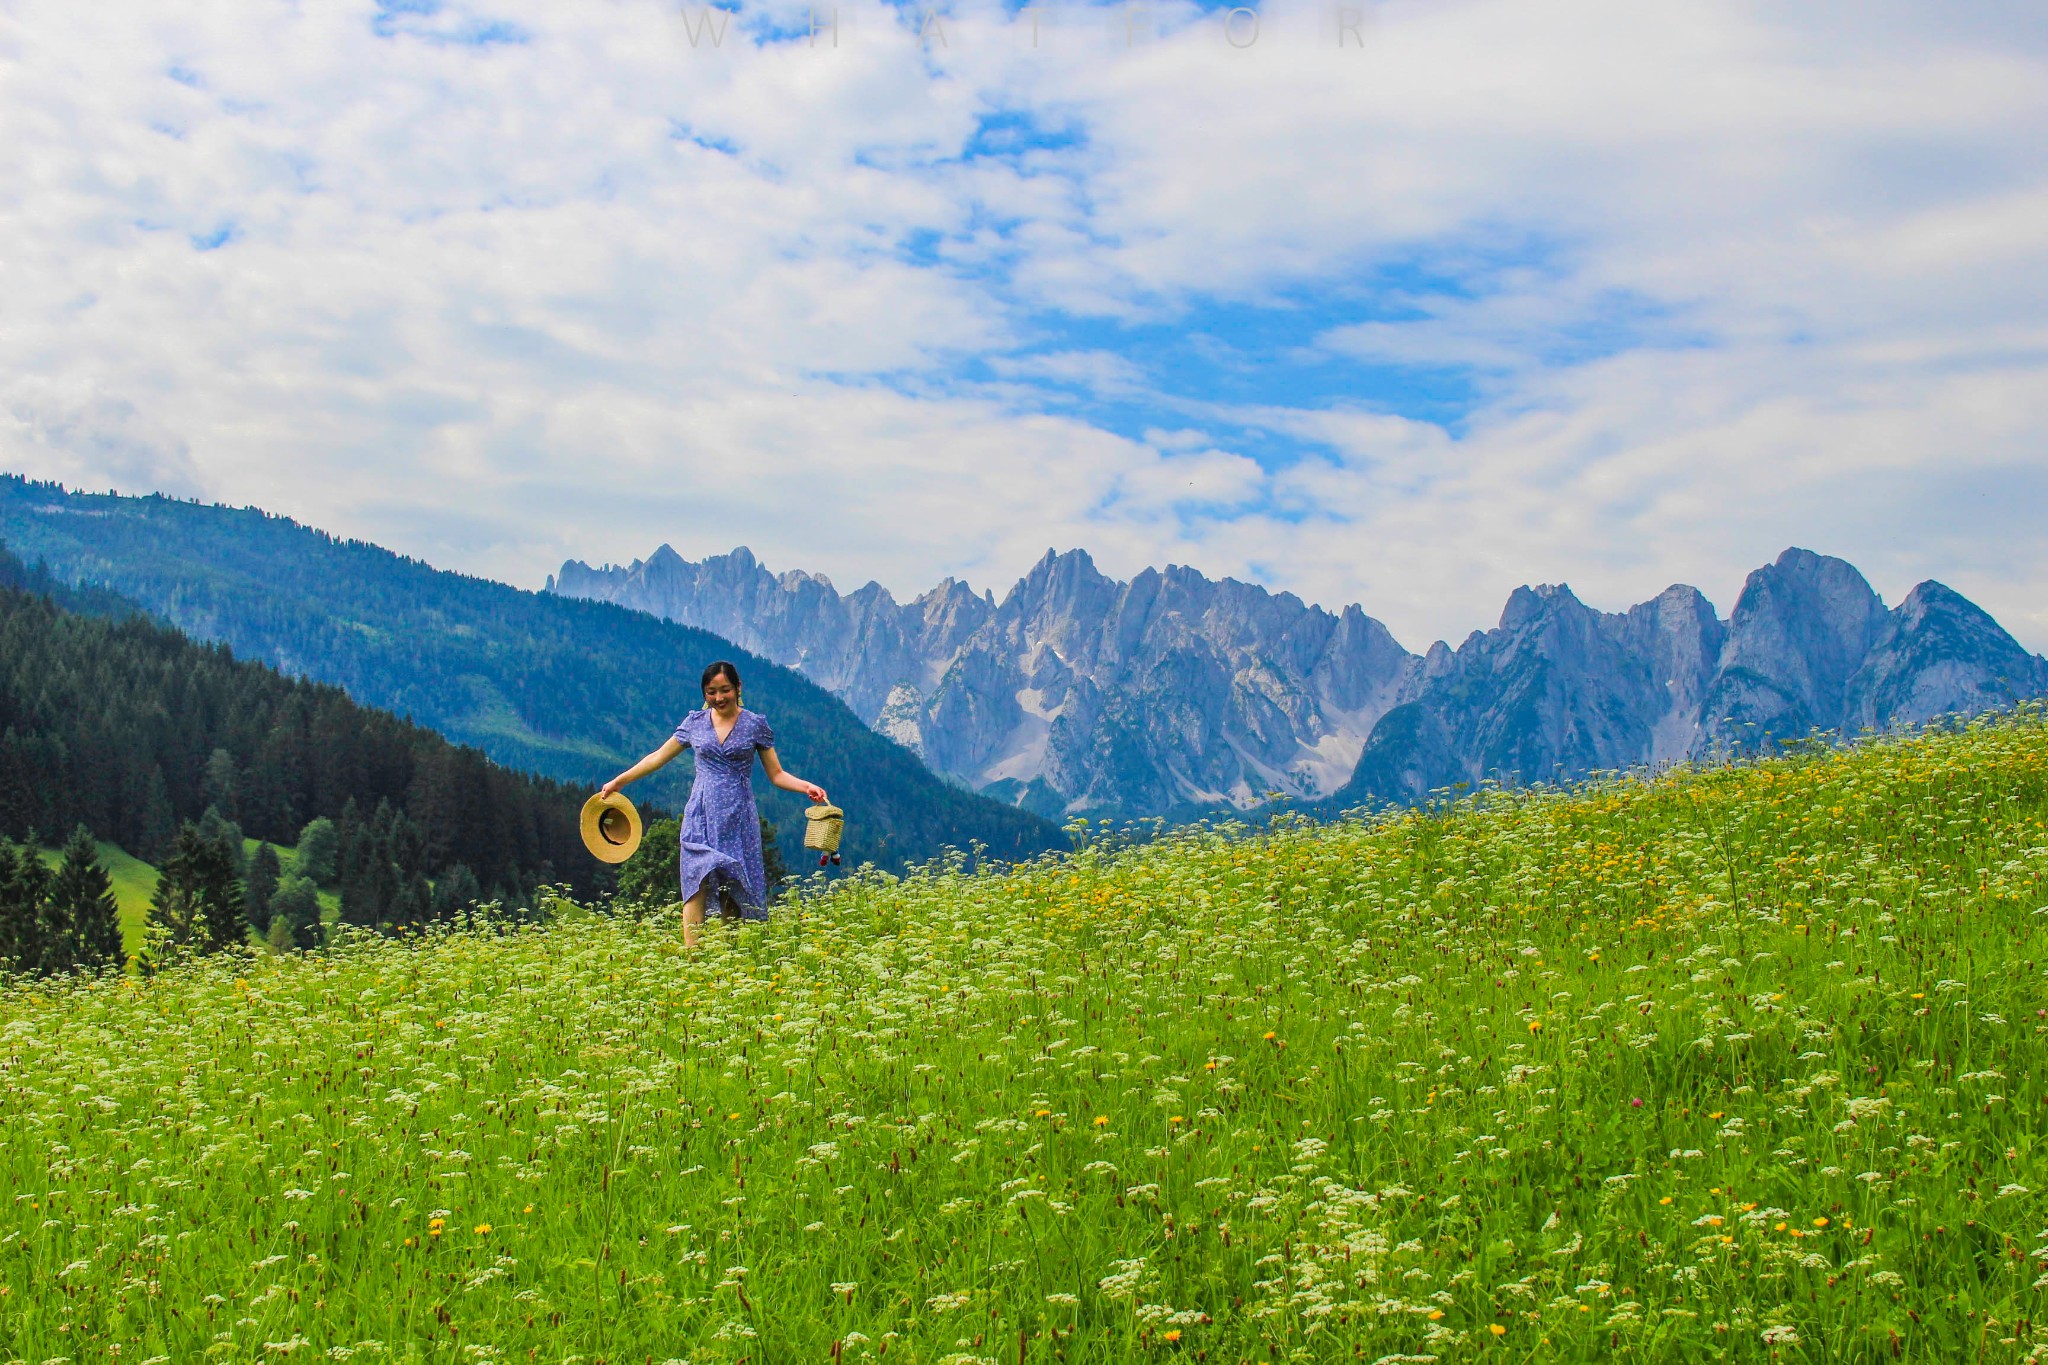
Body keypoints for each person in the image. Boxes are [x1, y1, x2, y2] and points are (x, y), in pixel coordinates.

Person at [600, 661, 825, 947]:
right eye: (711, 692)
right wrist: (621, 780)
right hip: (700, 813)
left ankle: (727, 955)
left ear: (738, 688)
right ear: (704, 693)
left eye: (725, 690)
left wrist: (807, 786)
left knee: (732, 884)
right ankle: (692, 958)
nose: (719, 698)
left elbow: (776, 774)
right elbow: (657, 757)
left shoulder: (754, 725)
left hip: (737, 816)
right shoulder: (694, 723)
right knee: (695, 881)